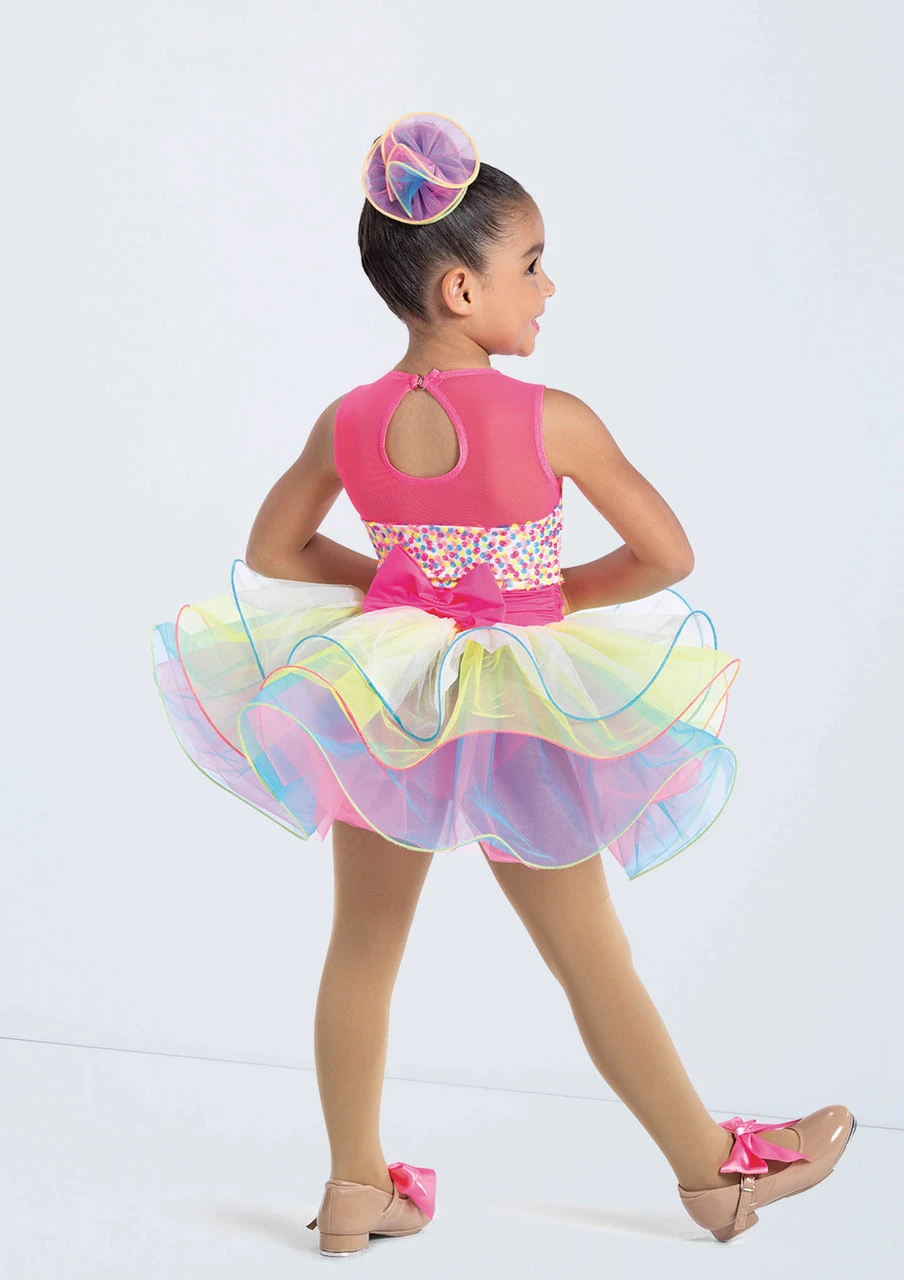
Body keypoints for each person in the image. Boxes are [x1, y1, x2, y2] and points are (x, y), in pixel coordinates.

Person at [150, 111, 855, 1257]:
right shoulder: (550, 420)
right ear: (461, 289)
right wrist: (545, 594)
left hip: (389, 696)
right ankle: (712, 1174)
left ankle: (353, 1184)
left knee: (361, 945)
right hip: (524, 708)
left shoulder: (350, 421)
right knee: (588, 953)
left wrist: (398, 584)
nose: (548, 287)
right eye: (531, 264)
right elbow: (666, 555)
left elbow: (275, 548)